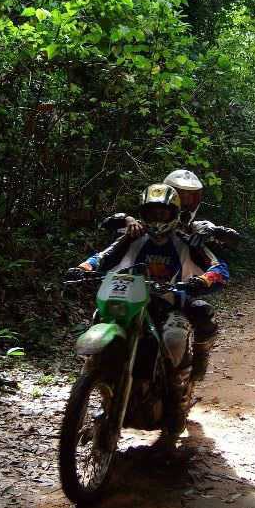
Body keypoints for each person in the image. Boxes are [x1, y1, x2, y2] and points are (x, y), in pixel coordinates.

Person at [70, 184, 228, 444]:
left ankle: (177, 404)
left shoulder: (184, 241)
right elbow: (103, 257)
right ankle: (94, 390)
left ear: (173, 214)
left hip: (169, 305)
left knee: (174, 340)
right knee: (99, 318)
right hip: (130, 302)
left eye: (162, 213)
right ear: (143, 213)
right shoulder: (133, 237)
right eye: (152, 213)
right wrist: (83, 268)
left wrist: (203, 281)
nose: (157, 219)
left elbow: (218, 268)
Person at [101, 169, 240, 247]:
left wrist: (213, 231)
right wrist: (128, 219)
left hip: (184, 284)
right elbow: (106, 224)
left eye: (189, 196)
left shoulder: (196, 228)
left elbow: (233, 239)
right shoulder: (146, 224)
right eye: (179, 195)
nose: (184, 201)